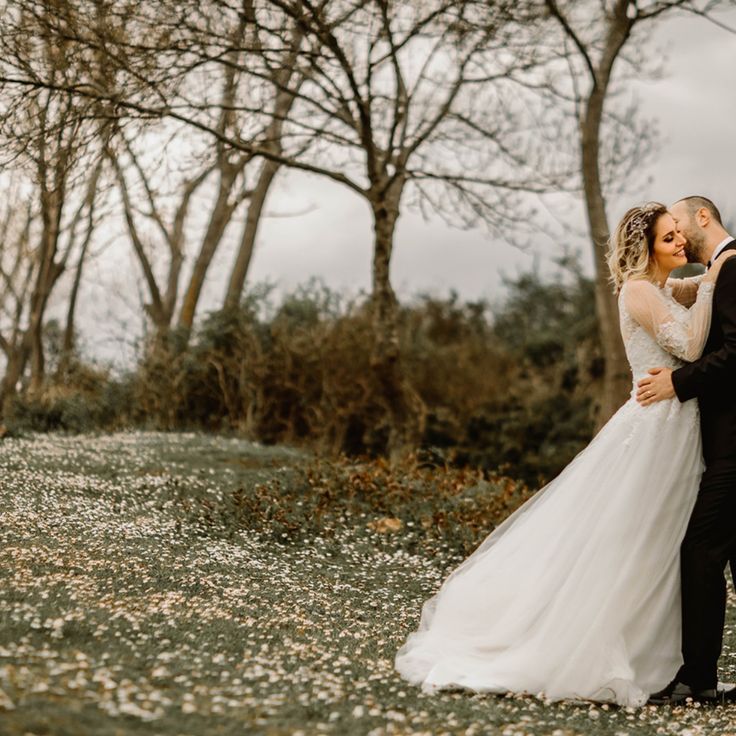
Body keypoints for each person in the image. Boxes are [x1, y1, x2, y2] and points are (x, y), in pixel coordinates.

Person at [393, 202, 736, 707]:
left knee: (661, 544)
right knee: (629, 540)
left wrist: (715, 268)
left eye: (678, 233)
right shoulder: (640, 290)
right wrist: (715, 276)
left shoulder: (665, 287)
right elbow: (688, 343)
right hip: (656, 427)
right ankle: (595, 646)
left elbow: (699, 288)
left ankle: (665, 660)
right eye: (668, 238)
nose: (679, 241)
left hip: (681, 429)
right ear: (647, 250)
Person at [636, 196, 736, 705]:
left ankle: (697, 678)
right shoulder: (717, 270)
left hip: (734, 440)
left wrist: (677, 382)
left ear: (702, 217)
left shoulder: (732, 266)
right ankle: (698, 677)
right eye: (666, 230)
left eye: (678, 222)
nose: (676, 233)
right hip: (716, 438)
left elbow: (735, 353)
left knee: (701, 548)